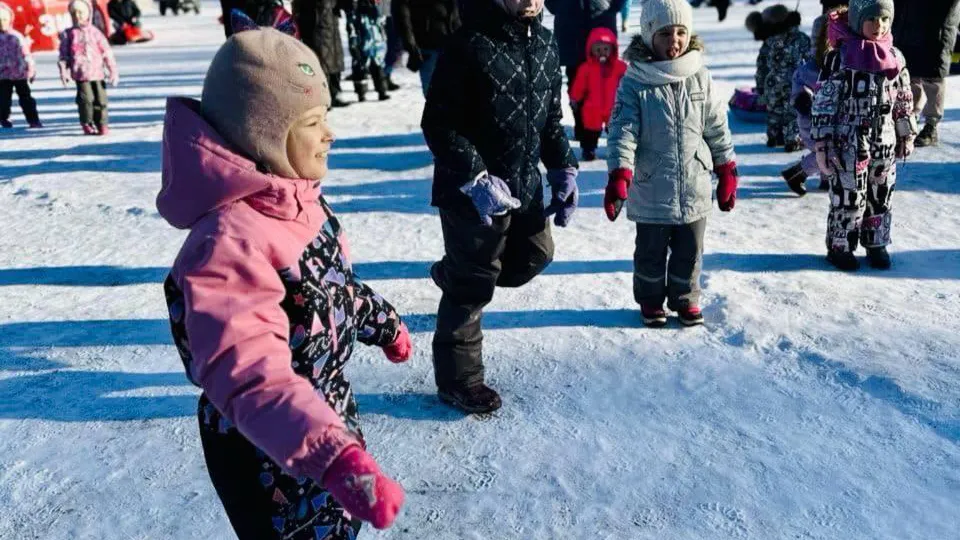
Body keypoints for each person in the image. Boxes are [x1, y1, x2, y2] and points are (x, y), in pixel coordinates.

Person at [158, 17, 411, 539]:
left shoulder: (299, 202)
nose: (329, 134)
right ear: (266, 135)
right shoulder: (227, 243)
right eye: (313, 121)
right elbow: (249, 371)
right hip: (267, 454)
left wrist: (382, 322)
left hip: (327, 422)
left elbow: (332, 288)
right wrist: (335, 457)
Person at [421, 0, 578, 414]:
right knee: (472, 286)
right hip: (472, 194)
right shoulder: (468, 44)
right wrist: (475, 176)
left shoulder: (546, 42)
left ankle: (453, 273)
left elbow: (550, 121)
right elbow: (439, 124)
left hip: (523, 186)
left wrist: (564, 167)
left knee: (537, 254)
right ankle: (460, 380)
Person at [604, 0, 738, 328]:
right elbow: (623, 130)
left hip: (694, 182)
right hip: (652, 185)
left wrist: (726, 168)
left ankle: (685, 299)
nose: (674, 40)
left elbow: (716, 126)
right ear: (649, 35)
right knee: (650, 252)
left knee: (690, 251)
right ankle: (651, 300)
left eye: (680, 32)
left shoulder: (700, 76)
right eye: (665, 33)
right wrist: (620, 172)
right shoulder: (635, 81)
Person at [811, 0, 916, 271]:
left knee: (880, 194)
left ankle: (876, 243)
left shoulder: (895, 56)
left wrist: (906, 133)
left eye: (884, 19)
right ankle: (840, 246)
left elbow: (903, 97)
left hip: (884, 140)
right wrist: (822, 143)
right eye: (871, 19)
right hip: (848, 140)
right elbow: (824, 100)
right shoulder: (841, 56)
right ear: (858, 21)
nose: (878, 26)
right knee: (849, 195)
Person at [892, 0, 960, 146]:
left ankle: (931, 125)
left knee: (933, 78)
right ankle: (910, 117)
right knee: (910, 76)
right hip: (909, 24)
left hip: (937, 27)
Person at [747, 4, 810, 151]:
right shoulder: (802, 39)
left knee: (774, 110)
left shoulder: (769, 41)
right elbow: (809, 62)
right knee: (793, 112)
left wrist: (761, 87)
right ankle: (792, 140)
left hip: (772, 85)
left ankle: (774, 136)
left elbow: (761, 66)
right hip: (795, 84)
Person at [781, 11, 831, 195]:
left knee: (831, 149)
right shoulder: (810, 69)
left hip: (826, 122)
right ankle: (796, 174)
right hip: (812, 121)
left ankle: (827, 179)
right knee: (828, 151)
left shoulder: (837, 65)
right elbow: (798, 90)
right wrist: (805, 100)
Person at [58, 0, 118, 135]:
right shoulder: (68, 34)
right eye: (74, 13)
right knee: (86, 100)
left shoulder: (95, 32)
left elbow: (107, 52)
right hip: (81, 74)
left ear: (88, 13)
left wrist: (112, 70)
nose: (77, 15)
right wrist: (64, 72)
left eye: (80, 12)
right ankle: (86, 122)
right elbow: (63, 56)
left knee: (101, 100)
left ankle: (102, 123)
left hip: (97, 73)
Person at [569, 27, 627, 161]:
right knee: (590, 131)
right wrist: (575, 98)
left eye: (606, 49)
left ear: (612, 49)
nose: (602, 53)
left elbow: (628, 81)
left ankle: (617, 149)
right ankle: (588, 149)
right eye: (598, 50)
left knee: (616, 131)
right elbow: (579, 85)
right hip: (592, 107)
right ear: (591, 50)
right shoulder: (586, 68)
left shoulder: (619, 67)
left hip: (614, 106)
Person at [392, 0, 460, 96]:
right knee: (434, 95)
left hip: (454, 44)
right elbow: (401, 14)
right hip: (428, 46)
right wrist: (411, 45)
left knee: (457, 94)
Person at [294, 0, 350, 107]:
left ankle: (335, 93)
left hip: (330, 19)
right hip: (316, 21)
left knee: (334, 57)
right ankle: (323, 97)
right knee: (321, 60)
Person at [0, 2, 41, 129]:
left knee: (26, 98)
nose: (2, 23)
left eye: (4, 20)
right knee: (3, 99)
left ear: (10, 20)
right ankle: (4, 118)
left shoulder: (16, 36)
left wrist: (31, 70)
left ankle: (33, 119)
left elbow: (26, 54)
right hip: (2, 75)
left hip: (20, 73)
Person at [343, 0, 391, 101]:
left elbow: (383, 16)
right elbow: (351, 23)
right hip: (360, 33)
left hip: (375, 35)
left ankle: (382, 90)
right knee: (360, 62)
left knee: (377, 63)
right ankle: (361, 93)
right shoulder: (355, 10)